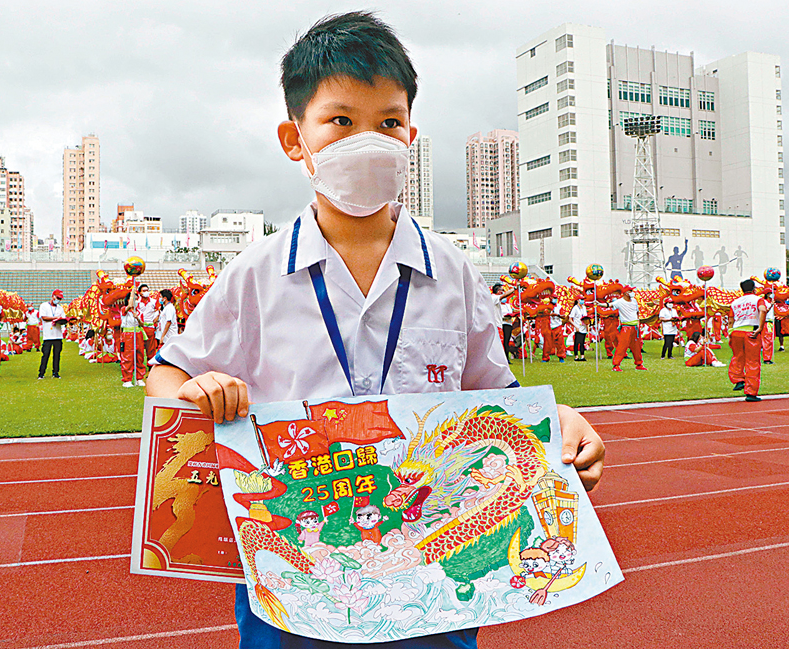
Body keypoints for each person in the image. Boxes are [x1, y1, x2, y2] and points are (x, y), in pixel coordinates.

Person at [145, 12, 604, 649]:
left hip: (431, 571)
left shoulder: (453, 272)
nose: (369, 141)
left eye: (388, 123)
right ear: (294, 139)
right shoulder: (255, 274)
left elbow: (495, 398)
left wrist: (559, 427)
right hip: (293, 568)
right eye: (340, 121)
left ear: (410, 134)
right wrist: (196, 393)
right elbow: (167, 376)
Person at [728, 279, 767, 402]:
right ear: (754, 288)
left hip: (736, 332)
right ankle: (751, 392)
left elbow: (730, 320)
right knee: (753, 362)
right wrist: (760, 328)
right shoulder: (758, 299)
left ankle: (738, 379)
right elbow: (763, 310)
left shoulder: (735, 302)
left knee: (737, 357)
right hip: (751, 331)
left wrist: (730, 333)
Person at [610, 286, 646, 372]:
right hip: (626, 327)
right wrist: (599, 304)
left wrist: (638, 322)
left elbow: (637, 312)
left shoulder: (634, 301)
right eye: (630, 291)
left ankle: (639, 364)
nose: (632, 292)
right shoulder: (620, 302)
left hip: (635, 327)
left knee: (637, 346)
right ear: (626, 293)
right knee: (622, 346)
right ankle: (616, 365)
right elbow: (610, 305)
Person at [120, 291, 147, 387]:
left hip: (138, 334)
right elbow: (129, 306)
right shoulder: (124, 310)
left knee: (139, 356)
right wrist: (132, 291)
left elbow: (142, 324)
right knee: (128, 357)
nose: (136, 301)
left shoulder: (139, 312)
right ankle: (127, 379)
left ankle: (139, 378)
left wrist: (138, 318)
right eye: (134, 299)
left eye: (136, 299)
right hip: (128, 335)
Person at [39, 289, 66, 379]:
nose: (58, 300)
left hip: (58, 335)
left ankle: (56, 372)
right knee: (45, 354)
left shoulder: (60, 308)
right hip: (48, 336)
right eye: (58, 298)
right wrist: (55, 318)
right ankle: (41, 373)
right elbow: (44, 317)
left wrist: (61, 320)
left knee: (57, 355)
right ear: (53, 296)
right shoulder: (44, 306)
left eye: (60, 299)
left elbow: (63, 319)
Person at [136, 283, 160, 362]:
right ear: (140, 293)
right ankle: (139, 365)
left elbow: (158, 311)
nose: (146, 292)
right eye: (144, 291)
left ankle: (150, 364)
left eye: (147, 290)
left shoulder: (154, 301)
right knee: (139, 348)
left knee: (151, 348)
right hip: (140, 327)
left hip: (150, 327)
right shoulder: (137, 302)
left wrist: (156, 318)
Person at [490, 283, 514, 362]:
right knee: (499, 344)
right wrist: (514, 288)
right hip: (496, 325)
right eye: (501, 290)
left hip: (500, 324)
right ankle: (499, 360)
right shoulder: (494, 297)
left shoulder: (499, 301)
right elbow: (504, 296)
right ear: (497, 291)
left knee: (501, 343)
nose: (502, 292)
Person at [762, 290, 775, 365]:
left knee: (770, 340)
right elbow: (764, 311)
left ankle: (768, 357)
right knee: (767, 340)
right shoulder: (765, 302)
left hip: (771, 322)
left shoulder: (770, 302)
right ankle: (766, 358)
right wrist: (771, 305)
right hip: (767, 322)